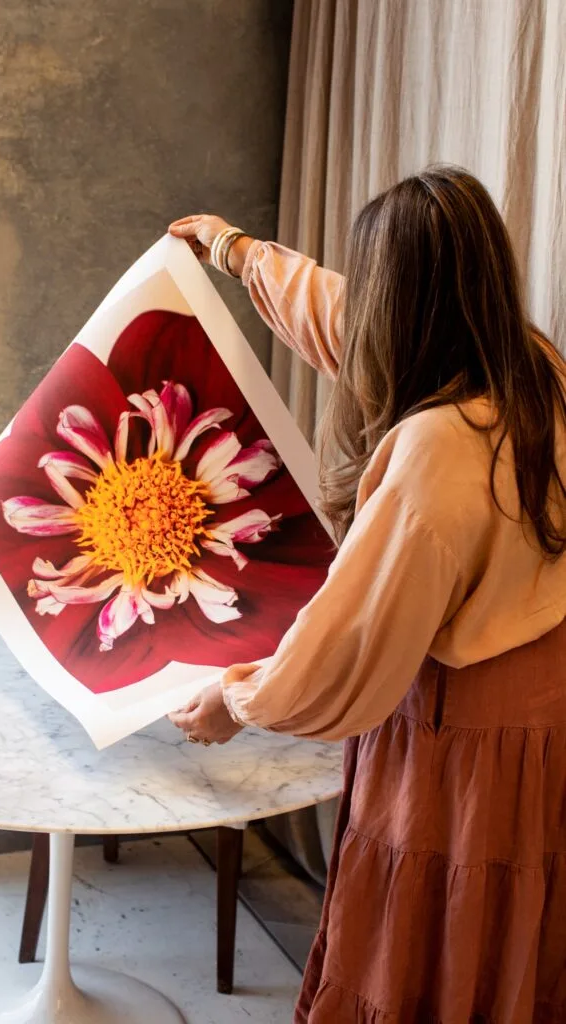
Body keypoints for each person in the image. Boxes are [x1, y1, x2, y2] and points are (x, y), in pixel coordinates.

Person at [167, 165, 566, 1023]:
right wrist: (235, 252)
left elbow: (346, 641)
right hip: (547, 718)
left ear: (399, 302)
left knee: (431, 937)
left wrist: (234, 701)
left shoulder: (435, 449)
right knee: (518, 940)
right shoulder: (536, 368)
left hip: (461, 739)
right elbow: (335, 309)